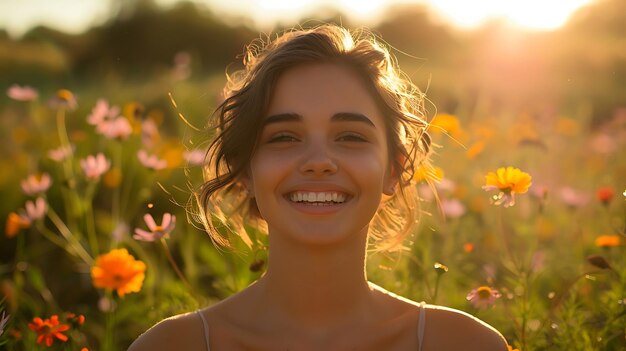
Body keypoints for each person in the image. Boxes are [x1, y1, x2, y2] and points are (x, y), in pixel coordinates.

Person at [129, 24, 508, 351]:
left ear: (394, 169)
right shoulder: (171, 346)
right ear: (245, 169)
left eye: (349, 136)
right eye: (284, 137)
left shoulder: (465, 344)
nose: (318, 160)